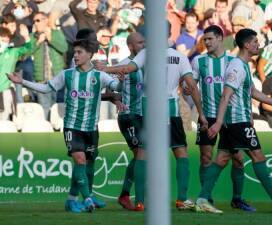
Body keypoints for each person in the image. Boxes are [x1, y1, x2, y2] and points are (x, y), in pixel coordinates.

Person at [7, 35, 121, 213]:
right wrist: (21, 81)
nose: (75, 55)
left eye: (79, 52)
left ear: (89, 54)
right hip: (72, 126)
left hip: (91, 127)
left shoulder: (100, 75)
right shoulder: (67, 74)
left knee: (87, 164)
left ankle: (72, 200)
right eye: (74, 52)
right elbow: (46, 88)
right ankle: (88, 199)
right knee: (80, 160)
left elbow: (117, 87)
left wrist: (119, 73)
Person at [95, 36, 208, 211]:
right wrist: (201, 113)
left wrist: (106, 68)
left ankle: (140, 202)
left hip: (148, 111)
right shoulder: (179, 56)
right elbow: (192, 86)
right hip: (170, 110)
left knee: (142, 153)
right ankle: (181, 199)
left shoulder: (146, 54)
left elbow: (127, 68)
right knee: (180, 152)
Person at [197, 28, 272, 213]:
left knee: (222, 158)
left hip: (235, 122)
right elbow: (225, 96)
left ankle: (202, 198)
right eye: (255, 42)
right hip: (238, 122)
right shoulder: (237, 67)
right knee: (258, 157)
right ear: (246, 45)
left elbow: (252, 92)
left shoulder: (243, 65)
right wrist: (218, 122)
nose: (258, 45)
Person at [112, 32, 146, 211]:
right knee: (141, 153)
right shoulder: (123, 65)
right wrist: (116, 99)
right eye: (140, 42)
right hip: (129, 116)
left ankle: (127, 195)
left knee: (142, 155)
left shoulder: (148, 63)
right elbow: (109, 86)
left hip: (144, 116)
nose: (144, 44)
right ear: (131, 46)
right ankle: (136, 198)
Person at [29, 12, 68, 120]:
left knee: (58, 106)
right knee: (44, 107)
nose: (35, 24)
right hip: (41, 79)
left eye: (38, 20)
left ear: (46, 20)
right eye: (34, 21)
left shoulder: (56, 33)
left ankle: (60, 130)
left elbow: (64, 48)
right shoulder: (33, 37)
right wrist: (38, 42)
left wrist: (50, 38)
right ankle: (46, 128)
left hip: (57, 77)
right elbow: (26, 53)